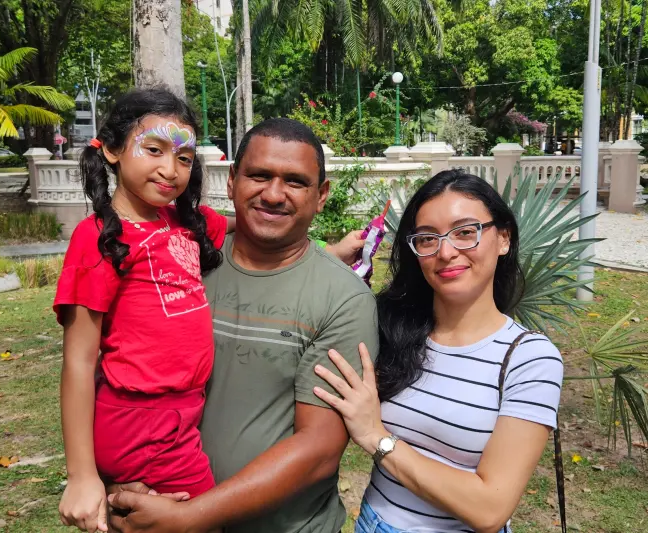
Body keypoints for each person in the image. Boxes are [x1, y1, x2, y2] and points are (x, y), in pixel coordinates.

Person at [105, 118, 380, 533]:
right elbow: (112, 371)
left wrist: (192, 517)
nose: (273, 194)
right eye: (259, 175)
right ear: (232, 181)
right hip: (158, 508)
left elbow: (319, 449)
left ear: (321, 195)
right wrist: (117, 482)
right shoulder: (180, 261)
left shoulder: (343, 299)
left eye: (295, 181)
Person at [313, 170, 564, 533]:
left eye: (465, 232)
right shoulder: (393, 330)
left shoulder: (530, 360)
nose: (445, 252)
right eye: (427, 238)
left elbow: (489, 509)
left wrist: (376, 437)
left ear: (503, 238)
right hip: (371, 523)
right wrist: (335, 260)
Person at [54, 87, 233, 533]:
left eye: (184, 158)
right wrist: (81, 476)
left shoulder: (182, 223)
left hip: (180, 414)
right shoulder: (98, 238)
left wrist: (325, 249)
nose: (170, 169)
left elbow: (240, 226)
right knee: (200, 521)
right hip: (144, 425)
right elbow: (79, 361)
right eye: (154, 150)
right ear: (113, 150)